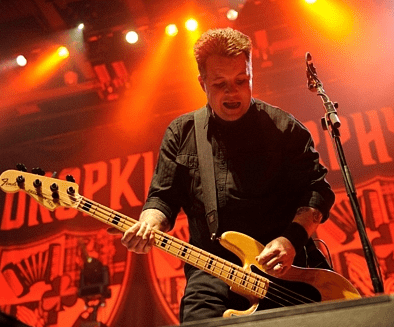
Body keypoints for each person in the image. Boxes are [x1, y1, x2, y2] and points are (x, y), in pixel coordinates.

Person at [116, 27, 335, 323]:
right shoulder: (182, 133)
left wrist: (291, 240)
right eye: (220, 84)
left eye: (241, 81)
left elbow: (317, 191)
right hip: (212, 274)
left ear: (251, 74)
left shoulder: (284, 128)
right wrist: (148, 225)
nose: (233, 93)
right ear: (202, 82)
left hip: (288, 272)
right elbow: (162, 197)